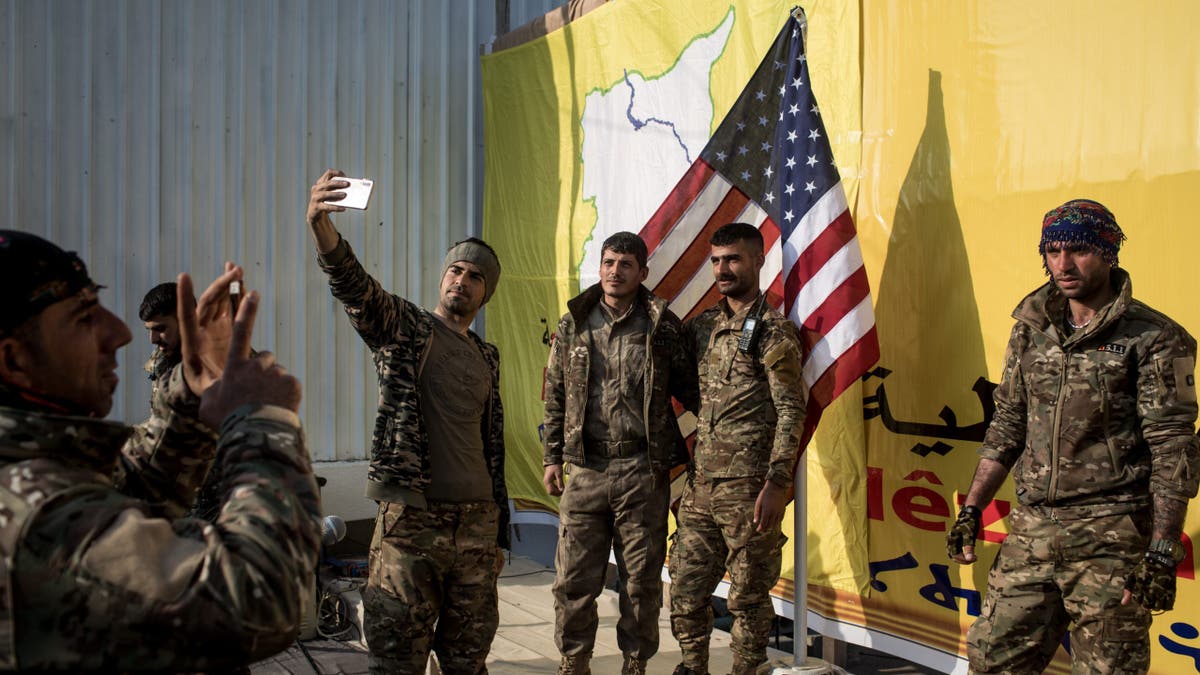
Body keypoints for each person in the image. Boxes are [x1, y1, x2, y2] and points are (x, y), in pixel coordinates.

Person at [0, 230, 321, 671]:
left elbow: (134, 485)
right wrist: (261, 420)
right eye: (83, 317)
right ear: (13, 360)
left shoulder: (33, 465)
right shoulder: (40, 520)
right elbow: (259, 601)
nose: (120, 334)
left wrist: (191, 392)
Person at [946, 199, 1199, 673]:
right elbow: (1007, 425)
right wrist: (972, 509)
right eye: (1053, 250)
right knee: (992, 661)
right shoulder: (1032, 329)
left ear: (1109, 253)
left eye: (1079, 250)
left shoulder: (1156, 337)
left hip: (1112, 537)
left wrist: (1163, 547)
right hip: (1033, 530)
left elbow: (1173, 446)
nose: (1063, 264)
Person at [306, 169, 509, 674]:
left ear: (486, 293)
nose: (462, 280)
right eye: (456, 271)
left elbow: (492, 445)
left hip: (477, 527)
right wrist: (322, 228)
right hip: (413, 522)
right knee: (397, 657)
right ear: (443, 278)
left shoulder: (487, 356)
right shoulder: (407, 329)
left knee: (469, 658)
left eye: (475, 276)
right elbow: (355, 287)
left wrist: (497, 533)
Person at [542, 232, 698, 675]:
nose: (615, 271)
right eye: (609, 262)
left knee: (641, 581)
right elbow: (555, 394)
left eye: (626, 264)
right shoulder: (574, 321)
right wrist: (552, 456)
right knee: (574, 580)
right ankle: (574, 661)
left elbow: (693, 392)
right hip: (586, 469)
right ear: (601, 266)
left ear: (642, 272)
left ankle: (635, 663)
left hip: (642, 472)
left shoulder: (662, 325)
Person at [668, 222, 807, 675]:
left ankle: (746, 670)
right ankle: (692, 666)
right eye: (716, 261)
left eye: (733, 259)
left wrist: (776, 483)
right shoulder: (703, 327)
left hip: (750, 493)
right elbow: (693, 390)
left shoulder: (773, 331)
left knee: (747, 597)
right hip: (701, 487)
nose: (722, 269)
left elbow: (791, 411)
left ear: (757, 260)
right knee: (686, 589)